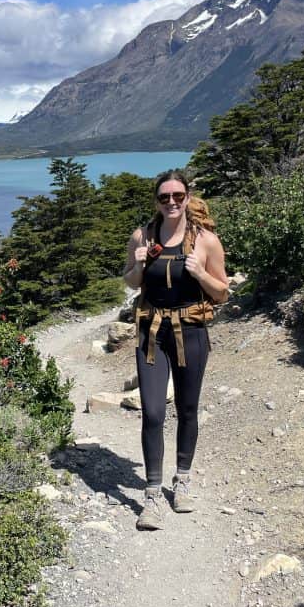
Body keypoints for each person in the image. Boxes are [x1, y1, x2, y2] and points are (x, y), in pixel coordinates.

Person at [123, 169, 229, 530]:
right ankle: (152, 493)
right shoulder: (143, 235)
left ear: (187, 197)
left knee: (187, 409)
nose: (171, 202)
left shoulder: (206, 241)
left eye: (178, 196)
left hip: (191, 331)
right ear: (157, 200)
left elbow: (222, 292)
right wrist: (138, 263)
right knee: (152, 413)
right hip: (151, 332)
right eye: (164, 197)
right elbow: (132, 281)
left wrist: (199, 273)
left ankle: (182, 480)